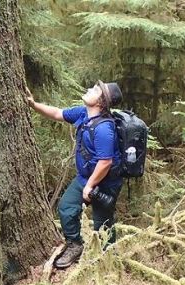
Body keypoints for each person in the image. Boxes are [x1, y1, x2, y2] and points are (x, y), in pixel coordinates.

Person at [26, 81, 123, 268]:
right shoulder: (83, 113)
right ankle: (75, 245)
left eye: (95, 90)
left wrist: (89, 186)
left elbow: (105, 162)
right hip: (86, 178)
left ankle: (108, 262)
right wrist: (33, 104)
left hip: (106, 182)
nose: (89, 89)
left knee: (103, 223)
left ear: (102, 102)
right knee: (66, 207)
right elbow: (56, 113)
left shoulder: (104, 129)